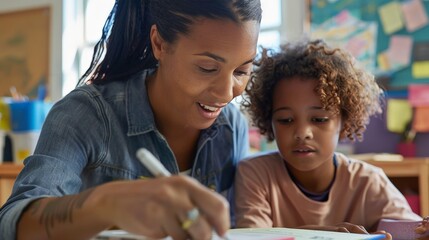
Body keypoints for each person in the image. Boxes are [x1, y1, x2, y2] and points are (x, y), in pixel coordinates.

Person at [0, 0, 262, 239]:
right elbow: (13, 225)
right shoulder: (86, 114)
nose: (227, 93)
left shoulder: (231, 126)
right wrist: (106, 205)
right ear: (159, 43)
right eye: (207, 68)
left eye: (242, 71)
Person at [234, 39, 427, 238]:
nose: (302, 132)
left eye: (319, 119)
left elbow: (411, 232)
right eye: (285, 120)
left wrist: (421, 231)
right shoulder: (255, 174)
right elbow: (253, 236)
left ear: (345, 123)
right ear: (269, 123)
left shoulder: (368, 181)